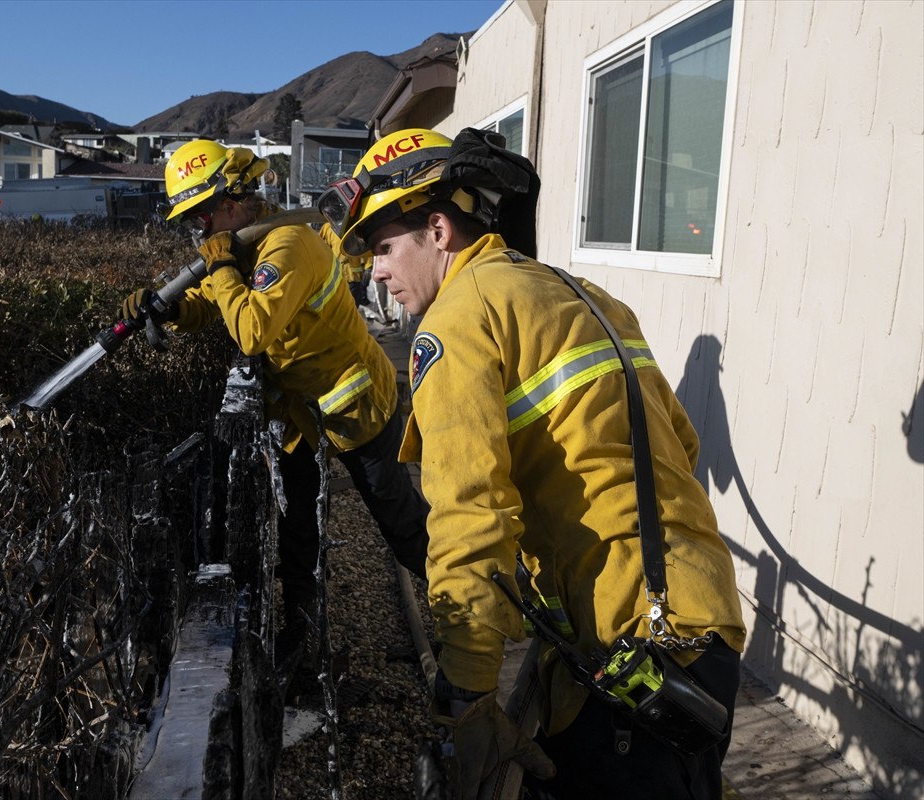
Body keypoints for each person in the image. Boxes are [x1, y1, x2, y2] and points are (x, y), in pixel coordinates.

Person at [317, 128, 747, 800]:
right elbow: (680, 447)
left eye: (381, 247)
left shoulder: (457, 321)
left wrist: (464, 698)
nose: (375, 271)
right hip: (700, 621)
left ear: (438, 230)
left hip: (627, 641)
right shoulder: (585, 295)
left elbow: (469, 518)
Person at [119, 138, 430, 664]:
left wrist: (219, 267)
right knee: (297, 529)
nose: (198, 230)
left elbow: (251, 330)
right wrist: (167, 308)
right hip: (301, 415)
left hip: (357, 405)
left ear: (231, 204)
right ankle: (301, 633)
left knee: (397, 519)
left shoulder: (287, 246)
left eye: (201, 217)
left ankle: (461, 617)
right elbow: (214, 304)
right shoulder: (245, 249)